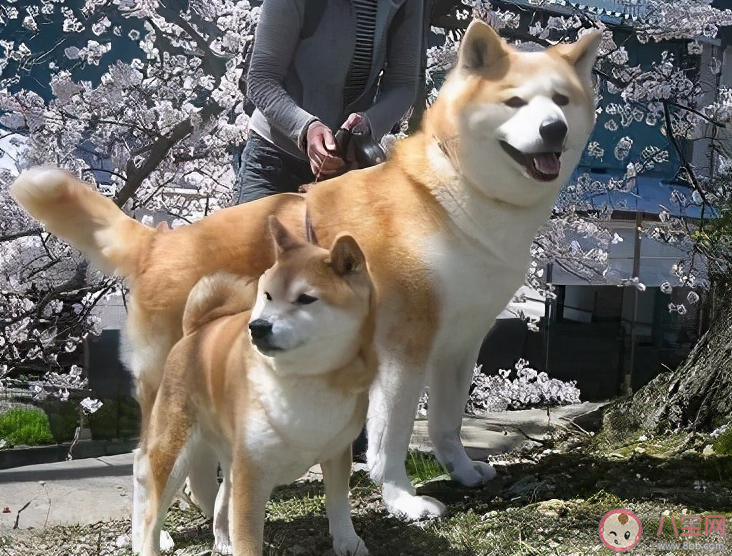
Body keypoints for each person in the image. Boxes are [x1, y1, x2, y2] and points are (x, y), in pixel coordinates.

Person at [235, 0, 425, 204]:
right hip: (273, 159)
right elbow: (262, 78)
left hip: (346, 167)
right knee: (254, 236)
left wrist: (369, 124)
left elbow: (403, 84)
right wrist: (306, 128)